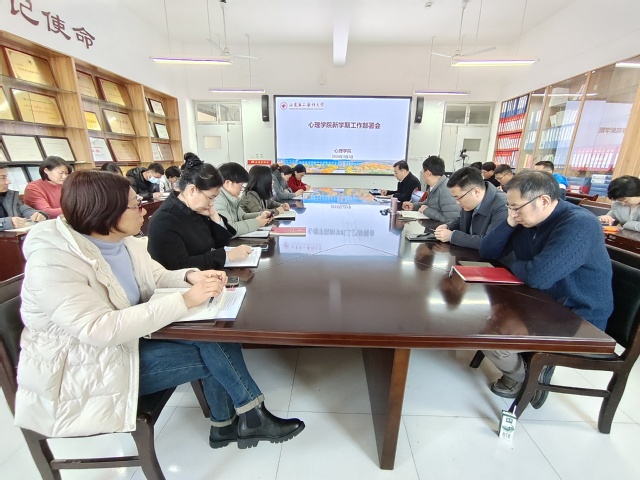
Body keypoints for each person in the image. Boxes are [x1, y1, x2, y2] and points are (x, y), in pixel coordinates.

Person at [15, 170, 304, 448]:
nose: (144, 211)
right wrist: (185, 300)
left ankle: (228, 424)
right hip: (86, 368)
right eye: (135, 205)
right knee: (216, 352)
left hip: (129, 342)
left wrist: (191, 277)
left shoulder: (123, 242)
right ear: (106, 213)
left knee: (215, 335)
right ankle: (244, 418)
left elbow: (155, 275)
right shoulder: (54, 261)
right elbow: (98, 329)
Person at [479, 171, 613, 406]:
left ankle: (527, 379)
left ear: (543, 200)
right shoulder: (527, 219)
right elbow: (487, 252)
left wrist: (512, 263)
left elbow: (537, 276)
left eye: (516, 208)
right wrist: (509, 223)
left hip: (578, 315)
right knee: (480, 320)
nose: (514, 213)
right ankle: (527, 371)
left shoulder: (579, 224)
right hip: (542, 302)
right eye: (510, 207)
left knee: (490, 335)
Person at [147, 157, 253, 270]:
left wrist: (214, 215)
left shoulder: (196, 209)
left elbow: (221, 243)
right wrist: (227, 256)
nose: (212, 203)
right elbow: (180, 266)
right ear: (192, 190)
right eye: (211, 198)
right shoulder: (166, 220)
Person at [433, 167, 507, 249]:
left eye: (458, 198)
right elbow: (461, 221)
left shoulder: (503, 205)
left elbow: (490, 243)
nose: (457, 202)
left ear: (476, 191)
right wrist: (448, 226)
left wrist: (452, 236)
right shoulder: (470, 200)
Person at [214, 162, 272, 238]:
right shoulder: (218, 200)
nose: (241, 189)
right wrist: (257, 222)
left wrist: (260, 215)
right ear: (228, 183)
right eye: (240, 185)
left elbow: (243, 216)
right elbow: (229, 229)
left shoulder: (231, 198)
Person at [402, 156, 460, 223]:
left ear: (428, 173)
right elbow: (428, 203)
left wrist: (426, 210)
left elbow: (451, 220)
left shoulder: (446, 189)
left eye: (422, 172)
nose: (422, 174)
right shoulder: (434, 186)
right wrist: (413, 206)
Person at [0, 163, 48, 230]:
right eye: (3, 178)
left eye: (6, 177)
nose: (8, 182)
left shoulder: (9, 195)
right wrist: (7, 223)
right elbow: (8, 223)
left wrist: (37, 214)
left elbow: (25, 210)